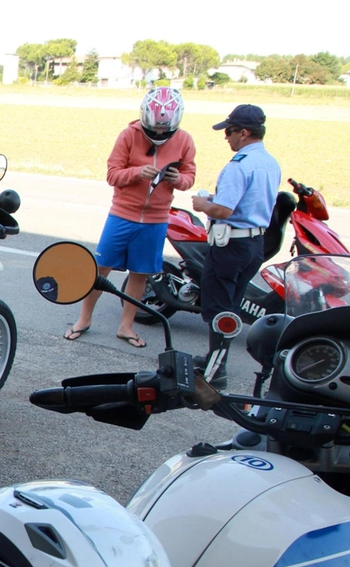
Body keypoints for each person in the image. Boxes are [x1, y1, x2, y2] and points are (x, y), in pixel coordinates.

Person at [65, 87, 196, 348]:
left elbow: (190, 177)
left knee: (140, 274)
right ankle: (83, 319)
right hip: (122, 215)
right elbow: (112, 175)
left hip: (156, 220)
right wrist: (136, 173)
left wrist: (177, 179)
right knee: (101, 269)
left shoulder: (184, 140)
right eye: (154, 130)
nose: (159, 135)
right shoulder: (128, 135)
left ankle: (126, 326)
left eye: (165, 131)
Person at [190, 104, 281, 389]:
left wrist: (204, 204)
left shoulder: (239, 166)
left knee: (220, 310)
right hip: (253, 243)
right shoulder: (270, 162)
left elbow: (224, 211)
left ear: (244, 133)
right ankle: (213, 359)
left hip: (232, 244)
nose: (225, 137)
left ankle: (216, 373)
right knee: (229, 304)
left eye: (229, 131)